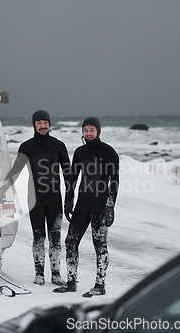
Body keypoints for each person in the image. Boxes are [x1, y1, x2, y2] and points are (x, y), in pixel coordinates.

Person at [0, 110, 70, 286]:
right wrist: (4, 188)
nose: (43, 126)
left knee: (55, 237)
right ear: (34, 125)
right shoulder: (27, 147)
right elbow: (16, 170)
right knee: (38, 237)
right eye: (39, 123)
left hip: (55, 199)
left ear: (50, 124)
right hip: (35, 199)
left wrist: (69, 198)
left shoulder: (58, 146)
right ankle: (39, 273)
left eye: (46, 122)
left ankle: (56, 273)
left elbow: (68, 174)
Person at [54, 117, 119, 298]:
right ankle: (71, 282)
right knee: (70, 242)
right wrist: (69, 199)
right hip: (83, 204)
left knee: (100, 245)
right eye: (86, 130)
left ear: (98, 131)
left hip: (100, 205)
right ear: (82, 132)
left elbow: (114, 181)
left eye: (92, 130)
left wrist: (110, 206)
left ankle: (100, 284)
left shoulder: (108, 152)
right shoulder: (80, 152)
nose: (89, 133)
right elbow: (73, 178)